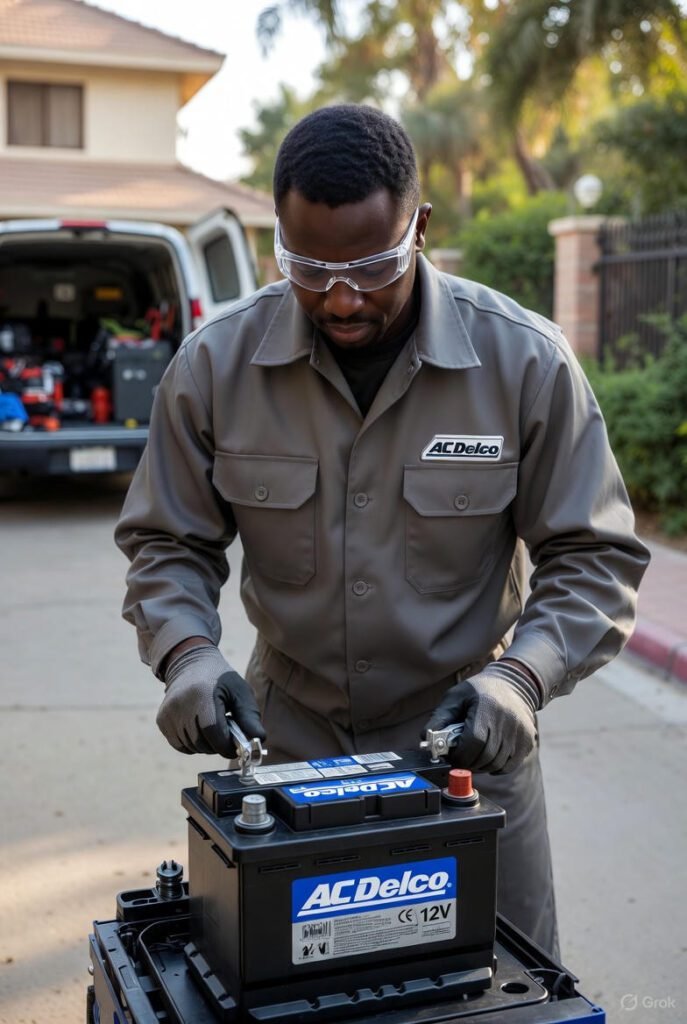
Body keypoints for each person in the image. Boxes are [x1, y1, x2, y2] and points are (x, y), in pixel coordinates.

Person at [115, 104, 649, 956]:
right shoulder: (214, 366)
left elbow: (592, 556)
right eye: (307, 265)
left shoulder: (524, 364)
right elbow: (168, 542)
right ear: (275, 242)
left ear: (421, 226)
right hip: (285, 753)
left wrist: (521, 679)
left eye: (371, 263)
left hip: (472, 752)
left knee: (494, 994)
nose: (339, 296)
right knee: (292, 993)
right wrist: (186, 654)